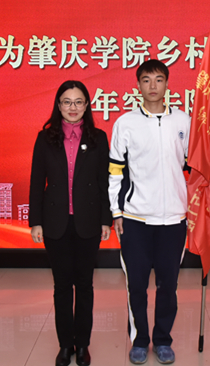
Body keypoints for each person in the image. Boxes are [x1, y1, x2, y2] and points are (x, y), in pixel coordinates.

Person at [108, 59, 190, 365]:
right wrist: (116, 212)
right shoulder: (125, 123)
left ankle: (163, 340)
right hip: (136, 220)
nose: (152, 86)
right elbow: (115, 172)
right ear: (138, 85)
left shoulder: (183, 121)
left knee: (168, 286)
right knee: (137, 287)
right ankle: (140, 340)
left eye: (158, 80)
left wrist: (208, 172)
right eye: (146, 80)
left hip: (174, 221)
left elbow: (191, 164)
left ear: (167, 83)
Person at [29, 80, 112, 366]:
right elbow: (37, 181)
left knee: (85, 285)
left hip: (88, 222)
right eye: (67, 102)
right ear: (58, 105)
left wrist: (106, 219)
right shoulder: (45, 138)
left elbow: (104, 182)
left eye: (78, 102)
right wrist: (36, 221)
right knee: (62, 286)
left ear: (87, 105)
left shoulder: (98, 138)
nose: (72, 107)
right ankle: (66, 344)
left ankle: (83, 345)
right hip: (55, 223)